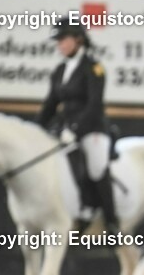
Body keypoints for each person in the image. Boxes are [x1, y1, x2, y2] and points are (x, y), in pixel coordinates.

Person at [38, 17, 117, 230]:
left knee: (96, 166)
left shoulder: (93, 68)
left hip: (92, 128)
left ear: (78, 40)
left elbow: (94, 105)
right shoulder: (59, 71)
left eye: (64, 39)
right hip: (65, 129)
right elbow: (50, 105)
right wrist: (36, 129)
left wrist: (75, 130)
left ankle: (111, 221)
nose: (60, 45)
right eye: (58, 40)